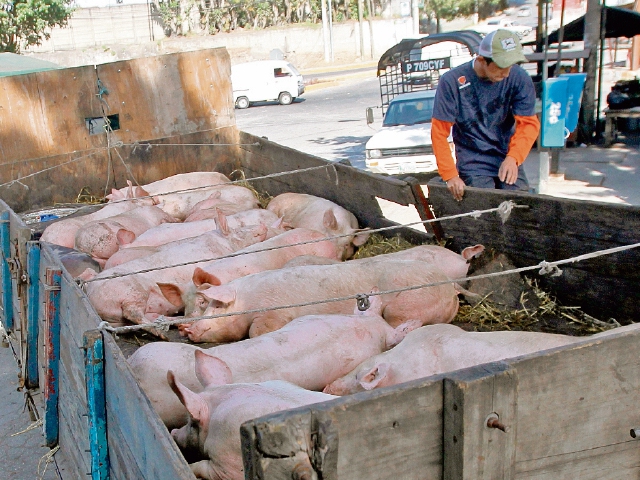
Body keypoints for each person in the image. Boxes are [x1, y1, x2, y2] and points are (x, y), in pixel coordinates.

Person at [431, 29, 540, 201]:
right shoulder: (451, 82)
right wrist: (450, 175)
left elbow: (529, 125)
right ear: (482, 60)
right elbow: (439, 133)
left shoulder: (519, 78)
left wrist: (514, 158)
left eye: (510, 66)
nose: (506, 74)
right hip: (473, 159)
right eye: (501, 67)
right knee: (483, 205)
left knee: (521, 204)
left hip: (506, 153)